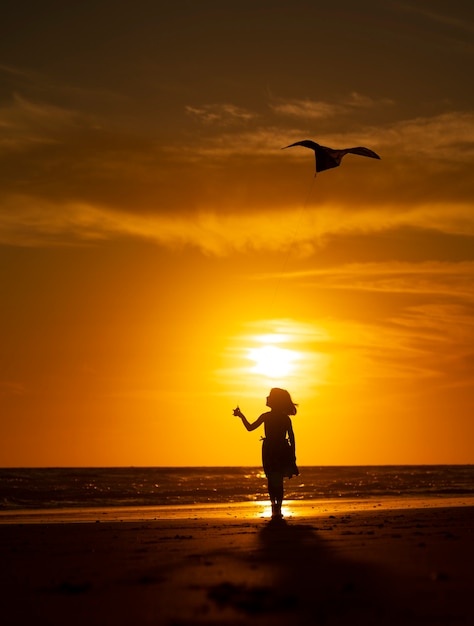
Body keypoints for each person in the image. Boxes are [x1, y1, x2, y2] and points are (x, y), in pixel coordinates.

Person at [233, 388, 298, 520]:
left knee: (272, 479)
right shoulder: (284, 418)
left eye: (269, 396)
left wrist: (241, 416)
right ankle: (277, 508)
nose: (266, 397)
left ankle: (275, 508)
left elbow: (249, 428)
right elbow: (292, 438)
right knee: (277, 480)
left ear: (275, 401)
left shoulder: (267, 416)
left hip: (270, 449)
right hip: (280, 449)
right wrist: (292, 454)